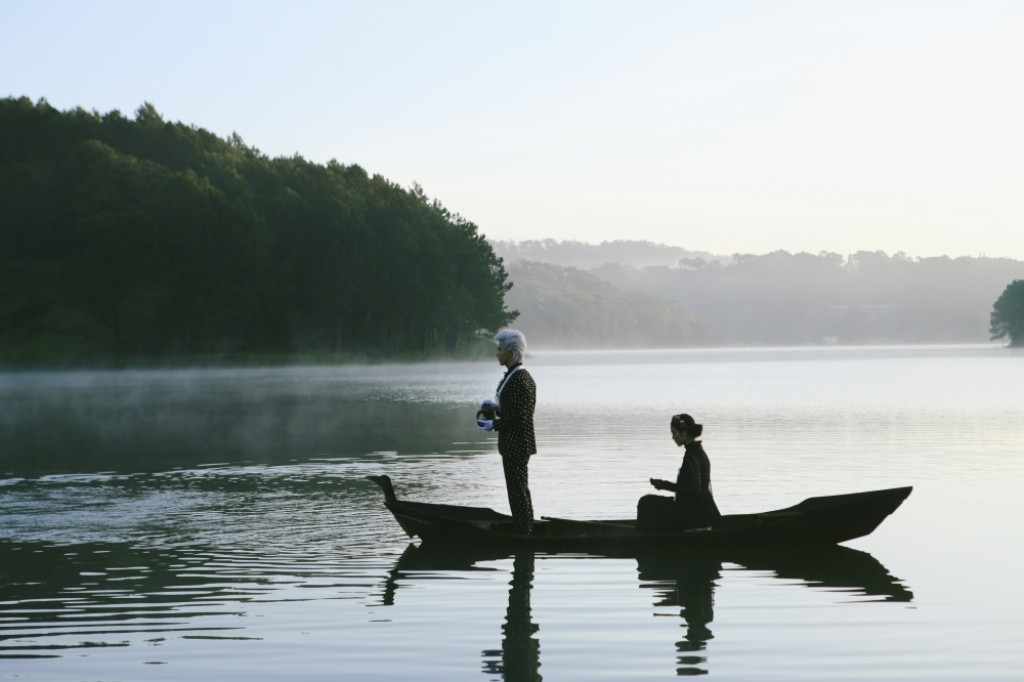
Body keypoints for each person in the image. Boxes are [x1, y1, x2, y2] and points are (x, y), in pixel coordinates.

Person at [477, 329, 537, 535]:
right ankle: (525, 529)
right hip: (514, 443)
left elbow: (519, 418)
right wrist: (496, 409)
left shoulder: (520, 380)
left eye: (500, 349)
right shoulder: (515, 376)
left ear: (511, 352)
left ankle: (524, 532)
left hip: (517, 444)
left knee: (517, 491)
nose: (497, 353)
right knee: (517, 489)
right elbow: (514, 411)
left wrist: (493, 425)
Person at [637, 413, 721, 532]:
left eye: (674, 433)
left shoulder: (691, 456)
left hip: (692, 512)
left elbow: (692, 490)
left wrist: (664, 485)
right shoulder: (699, 451)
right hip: (704, 509)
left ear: (684, 433)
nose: (673, 437)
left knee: (645, 502)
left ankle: (641, 537)